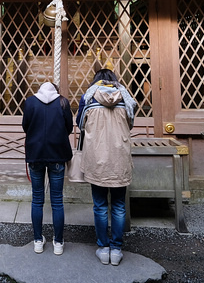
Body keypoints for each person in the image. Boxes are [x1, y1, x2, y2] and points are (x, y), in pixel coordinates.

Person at [76, 68, 136, 266]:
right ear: (114, 80)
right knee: (118, 206)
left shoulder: (88, 97)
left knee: (100, 206)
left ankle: (103, 248)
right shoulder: (125, 95)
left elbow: (80, 124)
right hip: (119, 158)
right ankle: (116, 250)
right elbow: (131, 122)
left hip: (97, 158)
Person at [22, 81, 73, 255]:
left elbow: (25, 127)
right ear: (56, 90)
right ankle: (58, 243)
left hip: (36, 154)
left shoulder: (30, 102)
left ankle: (38, 240)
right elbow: (69, 128)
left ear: (39, 90)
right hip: (57, 154)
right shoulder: (63, 102)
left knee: (37, 199)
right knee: (57, 200)